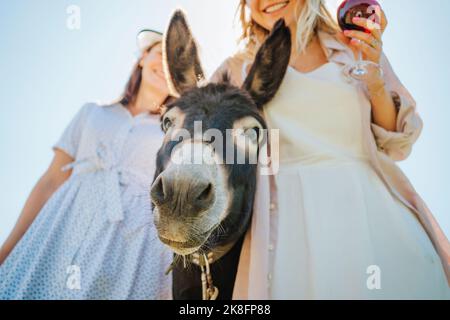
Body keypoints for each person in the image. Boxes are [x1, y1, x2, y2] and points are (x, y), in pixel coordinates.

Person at [212, 0, 449, 299]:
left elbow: (396, 142)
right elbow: (208, 141)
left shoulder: (352, 44)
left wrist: (375, 77)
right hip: (285, 225)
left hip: (373, 214)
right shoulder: (237, 68)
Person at [0, 29, 173, 300]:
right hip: (64, 233)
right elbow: (50, 182)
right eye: (161, 54)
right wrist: (7, 249)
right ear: (143, 57)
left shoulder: (175, 134)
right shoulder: (92, 113)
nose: (165, 65)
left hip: (131, 251)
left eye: (174, 61)